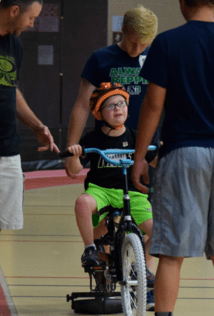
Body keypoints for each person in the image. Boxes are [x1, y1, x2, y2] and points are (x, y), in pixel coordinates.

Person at [131, 1, 214, 316]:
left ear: (182, 3)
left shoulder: (168, 41)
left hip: (183, 153)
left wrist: (140, 157)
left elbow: (153, 104)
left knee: (171, 254)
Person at [0, 1, 59, 315]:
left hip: (7, 150)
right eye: (31, 18)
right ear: (14, 10)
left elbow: (11, 91)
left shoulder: (15, 46)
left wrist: (37, 126)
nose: (32, 24)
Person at [67, 82, 158, 311]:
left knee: (159, 233)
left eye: (121, 104)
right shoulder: (92, 139)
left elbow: (156, 162)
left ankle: (140, 267)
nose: (118, 109)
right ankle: (90, 249)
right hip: (101, 190)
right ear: (99, 113)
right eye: (110, 106)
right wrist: (75, 152)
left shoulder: (138, 137)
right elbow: (75, 170)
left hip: (132, 193)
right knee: (83, 203)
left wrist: (162, 153)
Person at [65, 5, 158, 179]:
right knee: (104, 196)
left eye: (143, 45)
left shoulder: (155, 59)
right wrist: (72, 147)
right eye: (133, 42)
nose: (136, 50)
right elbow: (83, 105)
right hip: (108, 145)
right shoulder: (100, 59)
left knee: (145, 201)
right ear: (123, 30)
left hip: (146, 143)